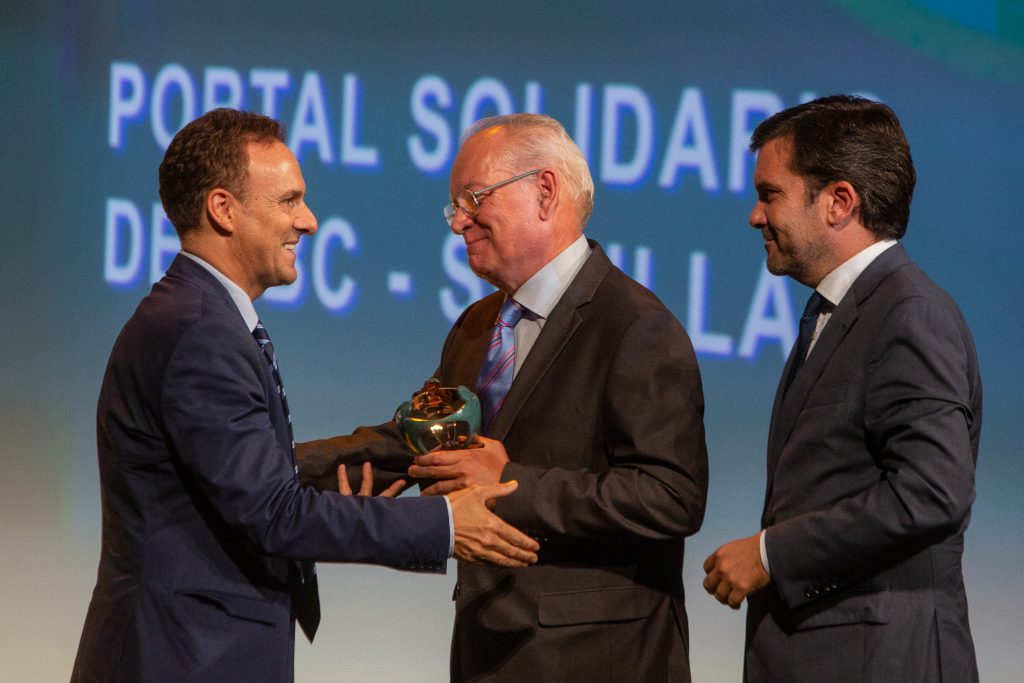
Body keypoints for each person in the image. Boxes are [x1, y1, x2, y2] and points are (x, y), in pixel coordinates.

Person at [71, 108, 539, 682]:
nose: (310, 221)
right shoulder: (199, 333)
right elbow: (272, 514)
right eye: (289, 201)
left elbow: (238, 487)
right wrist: (443, 523)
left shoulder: (200, 319)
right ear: (223, 209)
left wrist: (321, 477)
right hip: (182, 656)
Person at [312, 113, 709, 681]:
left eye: (473, 199)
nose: (459, 224)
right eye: (455, 207)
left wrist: (512, 485)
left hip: (596, 660)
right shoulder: (478, 325)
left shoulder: (636, 326)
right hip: (489, 649)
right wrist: (288, 464)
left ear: (544, 192)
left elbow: (671, 497)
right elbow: (424, 440)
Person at [702, 95, 982, 682]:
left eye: (770, 193)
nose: (756, 215)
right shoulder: (841, 312)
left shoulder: (910, 314)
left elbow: (931, 491)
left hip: (879, 661)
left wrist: (772, 554)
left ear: (839, 202)